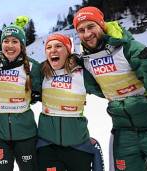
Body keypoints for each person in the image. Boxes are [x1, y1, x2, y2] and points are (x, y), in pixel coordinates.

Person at [72, 6, 147, 171]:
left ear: (102, 25)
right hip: (124, 131)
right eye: (81, 30)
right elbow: (98, 90)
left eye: (91, 26)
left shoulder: (129, 47)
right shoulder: (86, 60)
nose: (87, 33)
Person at [37, 33, 104, 171]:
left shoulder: (81, 73)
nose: (53, 50)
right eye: (48, 47)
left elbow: (107, 90)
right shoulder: (41, 73)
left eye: (58, 46)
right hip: (48, 146)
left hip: (78, 145)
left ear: (68, 50)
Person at [0, 16, 40, 171]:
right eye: (6, 41)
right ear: (1, 43)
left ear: (22, 45)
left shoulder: (32, 67)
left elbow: (44, 88)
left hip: (26, 134)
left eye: (15, 41)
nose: (10, 45)